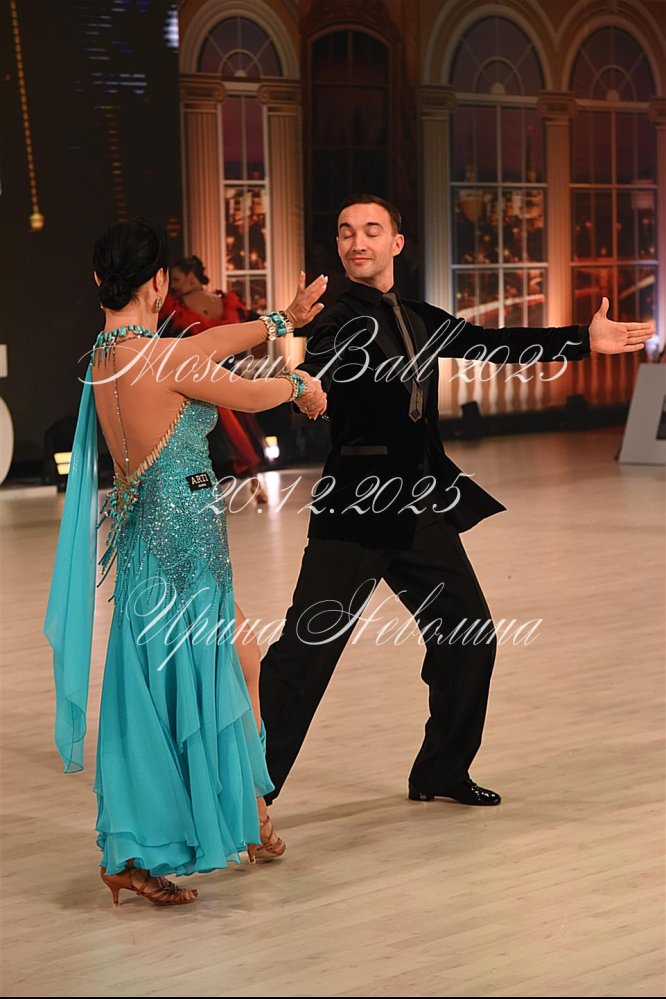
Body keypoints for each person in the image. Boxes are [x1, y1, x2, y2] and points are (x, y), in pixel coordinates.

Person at [259, 192, 654, 809]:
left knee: (469, 637)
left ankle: (441, 771)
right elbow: (324, 363)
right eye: (345, 231)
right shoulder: (337, 317)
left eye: (371, 230)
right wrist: (306, 387)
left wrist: (583, 339)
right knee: (304, 655)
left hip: (418, 508)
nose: (357, 241)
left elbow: (493, 342)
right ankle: (246, 795)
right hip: (357, 512)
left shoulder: (420, 317)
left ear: (397, 243)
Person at [43, 216, 327, 906]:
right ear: (159, 283)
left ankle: (246, 814)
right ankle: (162, 842)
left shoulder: (105, 357)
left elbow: (206, 344)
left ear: (99, 280)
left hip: (152, 548)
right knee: (196, 687)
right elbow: (248, 393)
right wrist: (298, 385)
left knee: (234, 663)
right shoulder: (165, 360)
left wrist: (280, 319)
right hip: (187, 552)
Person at [163, 255, 270, 505]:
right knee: (240, 437)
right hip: (230, 379)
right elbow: (254, 325)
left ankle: (205, 496)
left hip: (202, 382)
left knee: (208, 441)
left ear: (191, 277)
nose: (174, 285)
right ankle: (255, 486)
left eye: (176, 279)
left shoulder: (178, 308)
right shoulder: (224, 303)